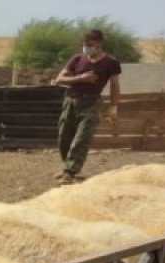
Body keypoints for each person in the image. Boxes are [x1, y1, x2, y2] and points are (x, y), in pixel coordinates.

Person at [52, 29, 122, 184]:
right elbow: (59, 79)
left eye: (90, 45)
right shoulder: (77, 59)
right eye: (85, 45)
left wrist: (113, 106)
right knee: (64, 137)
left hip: (91, 103)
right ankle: (67, 167)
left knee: (82, 138)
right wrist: (80, 79)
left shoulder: (111, 63)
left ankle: (70, 171)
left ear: (99, 44)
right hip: (70, 101)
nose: (87, 48)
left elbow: (115, 85)